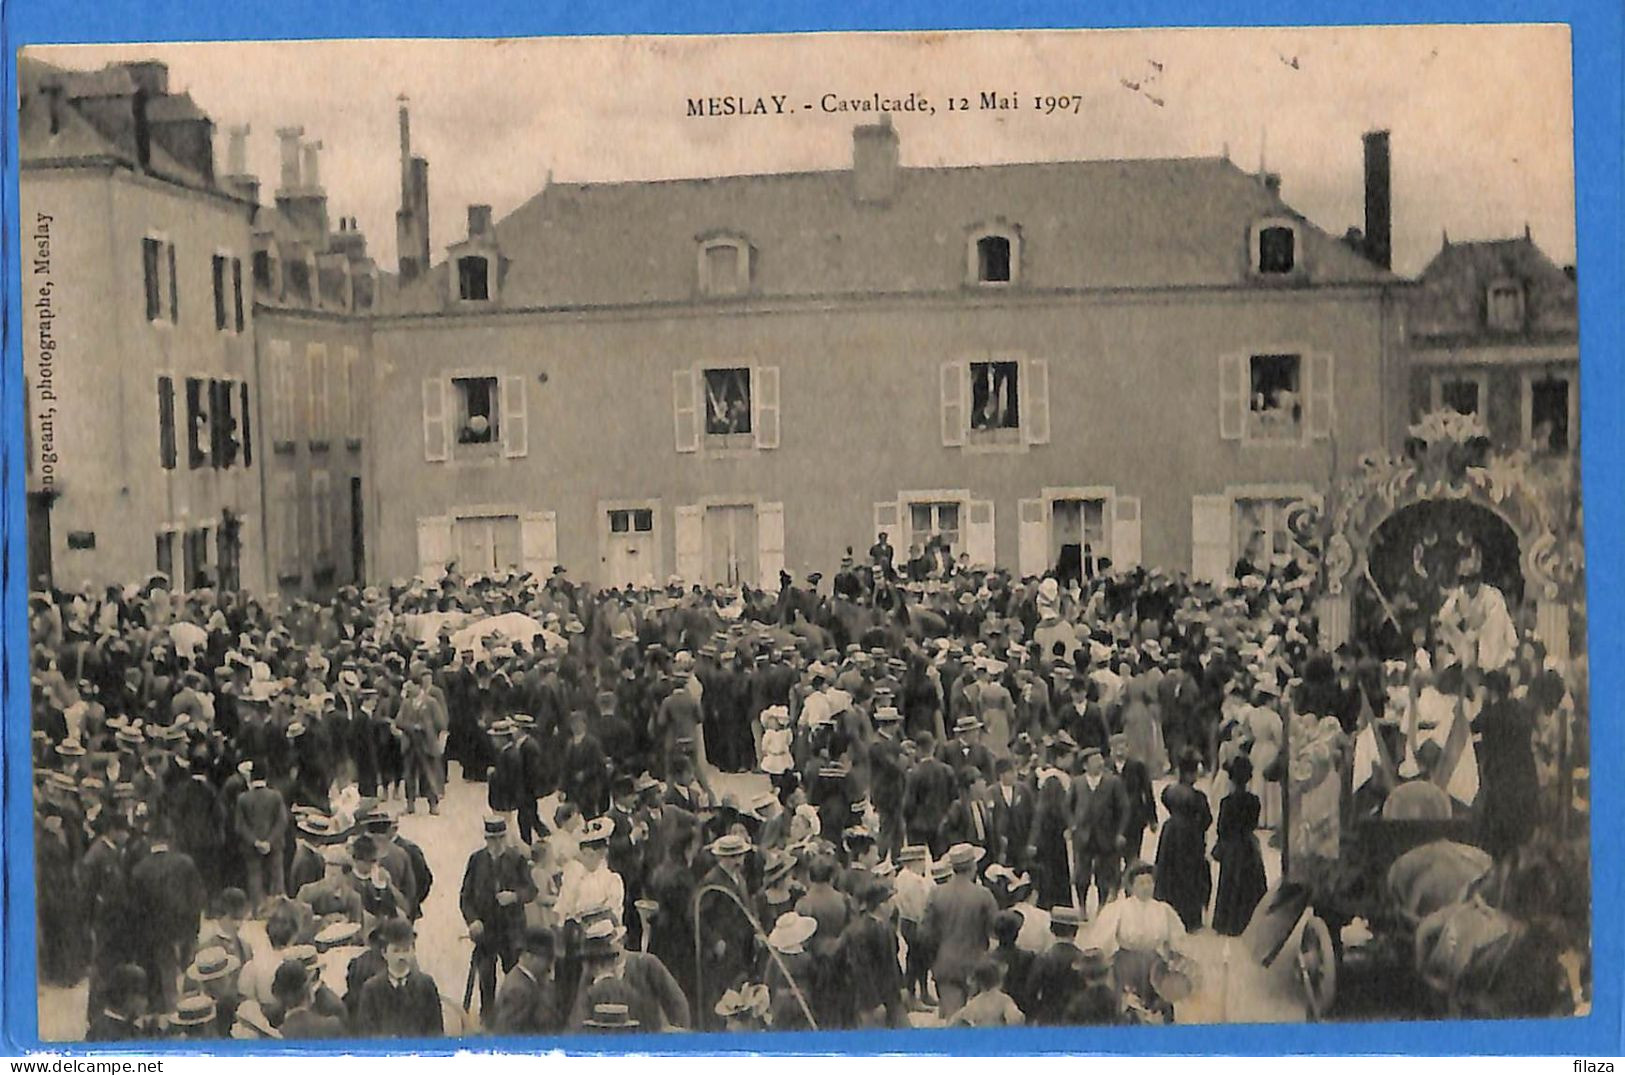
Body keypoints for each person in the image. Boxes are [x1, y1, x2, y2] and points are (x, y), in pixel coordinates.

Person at [1088, 861, 1190, 1021]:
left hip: (1155, 964)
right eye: (1141, 883)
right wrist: (1102, 958)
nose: (1146, 887)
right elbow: (1102, 939)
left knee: (1158, 1006)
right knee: (1129, 1006)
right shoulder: (1119, 909)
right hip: (1126, 964)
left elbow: (1177, 938)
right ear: (1132, 887)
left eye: (1149, 882)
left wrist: (1175, 958)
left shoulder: (1164, 910)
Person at [460, 815, 538, 1019]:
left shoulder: (517, 859)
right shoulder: (476, 860)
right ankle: (488, 1019)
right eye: (491, 839)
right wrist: (473, 920)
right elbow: (465, 896)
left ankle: (513, 1016)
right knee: (486, 978)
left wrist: (514, 896)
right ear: (486, 839)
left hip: (512, 930)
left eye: (499, 839)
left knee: (513, 975)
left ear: (505, 838)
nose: (495, 844)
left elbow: (531, 890)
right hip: (486, 931)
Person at [921, 842, 998, 1019]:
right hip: (977, 965)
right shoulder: (984, 895)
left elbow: (925, 935)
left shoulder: (936, 894)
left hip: (947, 966)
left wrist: (935, 957)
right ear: (973, 866)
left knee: (954, 1023)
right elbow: (995, 930)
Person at [353, 918, 443, 1037]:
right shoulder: (371, 989)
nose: (401, 957)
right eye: (396, 951)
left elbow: (436, 1031)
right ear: (384, 953)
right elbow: (367, 1035)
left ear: (413, 951)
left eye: (406, 950)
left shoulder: (426, 985)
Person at [1153, 752, 1212, 932]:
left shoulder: (1168, 791)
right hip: (1190, 835)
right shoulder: (1198, 796)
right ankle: (1190, 919)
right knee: (1189, 875)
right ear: (1192, 774)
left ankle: (1169, 915)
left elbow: (1166, 803)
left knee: (1168, 872)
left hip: (1170, 833)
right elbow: (1207, 819)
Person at [1068, 747, 1129, 915]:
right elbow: (1067, 807)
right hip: (1083, 836)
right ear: (1085, 765)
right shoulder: (1077, 782)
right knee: (1081, 875)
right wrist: (1072, 825)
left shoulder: (1113, 782)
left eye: (1101, 759)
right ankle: (1081, 906)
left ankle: (1102, 906)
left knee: (1104, 874)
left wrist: (1120, 832)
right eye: (1095, 760)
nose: (1100, 763)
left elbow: (1124, 809)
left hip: (1106, 835)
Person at [1210, 755, 1267, 936]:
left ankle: (1228, 923)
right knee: (1250, 883)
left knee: (1229, 882)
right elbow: (1253, 824)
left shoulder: (1226, 802)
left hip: (1232, 847)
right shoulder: (1254, 801)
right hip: (1248, 845)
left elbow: (1222, 828)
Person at [487, 925, 562, 1034]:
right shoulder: (519, 990)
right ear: (529, 956)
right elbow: (509, 1036)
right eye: (547, 959)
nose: (550, 966)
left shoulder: (526, 981)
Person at [1110, 733, 1158, 868]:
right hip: (1112, 820)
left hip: (1135, 818)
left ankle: (1130, 885)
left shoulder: (1138, 767)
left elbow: (1148, 792)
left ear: (1128, 748)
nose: (1120, 750)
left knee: (1132, 858)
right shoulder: (1106, 768)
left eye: (1123, 746)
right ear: (1111, 750)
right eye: (1116, 747)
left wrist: (1152, 818)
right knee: (1112, 859)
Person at [948, 958, 1025, 1027]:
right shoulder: (1004, 1000)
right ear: (999, 980)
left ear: (979, 982)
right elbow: (1015, 1018)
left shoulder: (974, 1003)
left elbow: (954, 1021)